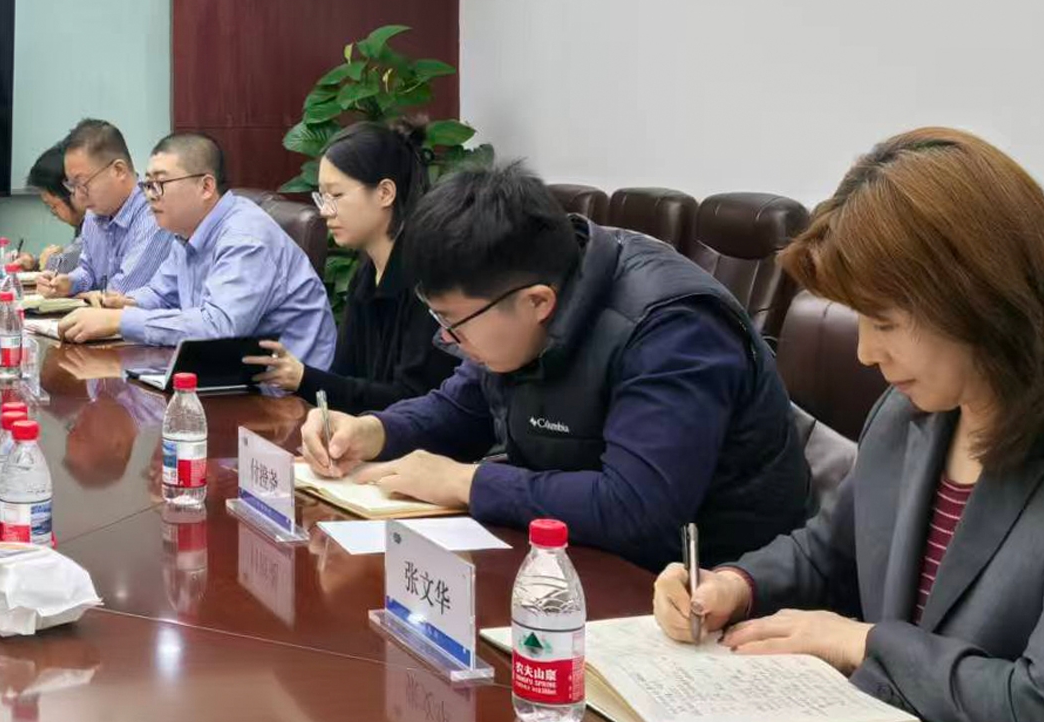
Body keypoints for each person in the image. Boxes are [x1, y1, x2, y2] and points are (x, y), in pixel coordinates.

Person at [655, 129, 1044, 722]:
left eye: (883, 322)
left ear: (978, 296)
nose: (864, 352)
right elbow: (830, 552)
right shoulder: (911, 413)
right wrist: (734, 585)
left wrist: (866, 642)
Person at [299, 161, 810, 572]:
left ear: (538, 302)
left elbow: (636, 509)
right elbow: (464, 406)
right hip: (577, 562)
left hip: (710, 591)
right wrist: (374, 431)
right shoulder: (519, 295)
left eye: (455, 322)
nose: (448, 339)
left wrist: (466, 483)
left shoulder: (672, 330)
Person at [60, 132, 336, 368]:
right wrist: (125, 303)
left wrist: (120, 320)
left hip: (287, 396)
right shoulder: (186, 232)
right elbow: (161, 293)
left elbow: (219, 327)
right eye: (147, 185)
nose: (150, 196)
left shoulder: (245, 238)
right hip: (227, 375)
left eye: (160, 184)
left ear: (205, 186)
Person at [245, 121, 457, 410]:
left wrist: (304, 378)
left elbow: (413, 401)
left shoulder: (428, 276)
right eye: (322, 197)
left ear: (385, 193)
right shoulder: (367, 273)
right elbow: (346, 375)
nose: (324, 211)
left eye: (336, 196)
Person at [38, 119, 171, 300]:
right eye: (72, 186)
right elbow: (88, 270)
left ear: (118, 170)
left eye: (82, 183)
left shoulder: (155, 214)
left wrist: (79, 296)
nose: (79, 196)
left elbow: (120, 294)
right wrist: (68, 283)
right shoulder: (94, 213)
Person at [12, 144, 83, 275]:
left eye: (53, 206)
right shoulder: (83, 223)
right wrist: (35, 263)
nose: (54, 213)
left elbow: (73, 264)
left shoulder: (98, 220)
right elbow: (74, 264)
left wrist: (49, 262)